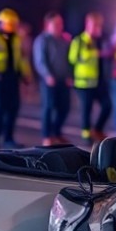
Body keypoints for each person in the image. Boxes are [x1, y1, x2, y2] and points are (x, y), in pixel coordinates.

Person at [0, 8, 32, 150]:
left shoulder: (16, 38)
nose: (11, 28)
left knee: (13, 107)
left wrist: (26, 75)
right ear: (0, 23)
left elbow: (21, 58)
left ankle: (8, 138)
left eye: (13, 25)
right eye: (9, 24)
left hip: (12, 76)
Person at [68, 12, 111, 144]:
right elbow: (72, 59)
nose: (98, 28)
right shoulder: (79, 40)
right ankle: (86, 134)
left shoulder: (100, 41)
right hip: (84, 82)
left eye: (100, 25)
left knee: (107, 105)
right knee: (86, 109)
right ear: (88, 24)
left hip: (99, 81)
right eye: (95, 25)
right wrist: (95, 54)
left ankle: (97, 129)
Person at [33, 11, 72, 146]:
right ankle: (47, 136)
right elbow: (40, 60)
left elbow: (69, 60)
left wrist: (69, 75)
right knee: (48, 107)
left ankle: (57, 132)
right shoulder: (42, 40)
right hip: (49, 81)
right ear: (48, 25)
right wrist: (47, 75)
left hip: (63, 80)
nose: (60, 26)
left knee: (64, 107)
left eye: (61, 23)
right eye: (56, 24)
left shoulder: (65, 40)